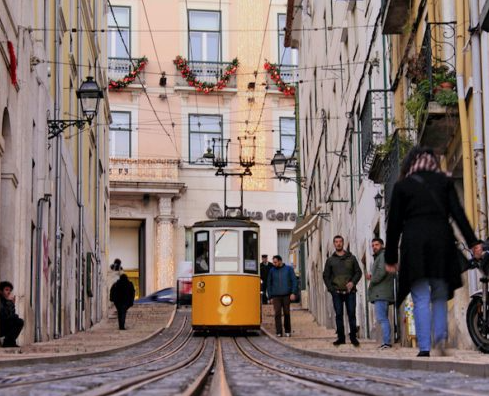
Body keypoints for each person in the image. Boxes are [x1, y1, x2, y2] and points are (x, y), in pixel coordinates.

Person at [385, 146, 483, 357]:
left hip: (414, 245)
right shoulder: (444, 182)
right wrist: (473, 242)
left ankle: (424, 347)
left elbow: (393, 225)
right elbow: (458, 215)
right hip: (441, 243)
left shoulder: (403, 186)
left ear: (410, 163)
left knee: (420, 297)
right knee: (439, 293)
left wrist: (390, 257)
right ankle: (440, 336)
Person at [323, 235, 362, 347]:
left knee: (351, 314)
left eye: (340, 241)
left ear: (343, 243)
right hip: (337, 293)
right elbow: (326, 276)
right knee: (339, 315)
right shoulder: (330, 260)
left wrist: (353, 282)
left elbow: (358, 272)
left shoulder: (351, 258)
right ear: (334, 244)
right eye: (336, 242)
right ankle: (341, 338)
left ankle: (353, 338)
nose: (338, 243)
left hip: (350, 292)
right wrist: (331, 290)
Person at [367, 238, 395, 349]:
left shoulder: (382, 256)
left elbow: (381, 272)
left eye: (376, 245)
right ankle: (386, 342)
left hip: (381, 293)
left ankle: (387, 342)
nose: (374, 247)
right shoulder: (379, 257)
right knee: (383, 318)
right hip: (382, 292)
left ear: (382, 245)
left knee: (382, 318)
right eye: (373, 245)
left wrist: (372, 279)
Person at [267, 255, 298, 337]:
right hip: (276, 296)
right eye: (273, 262)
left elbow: (294, 281)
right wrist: (270, 297)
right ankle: (279, 331)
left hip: (286, 295)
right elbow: (269, 284)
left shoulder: (289, 269)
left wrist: (293, 292)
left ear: (280, 261)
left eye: (275, 262)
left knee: (287, 313)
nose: (274, 264)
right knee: (277, 313)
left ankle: (287, 330)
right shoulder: (272, 271)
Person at [0, 281, 24, 347]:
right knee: (15, 319)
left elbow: (11, 315)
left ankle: (9, 342)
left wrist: (11, 304)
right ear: (1, 291)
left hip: (3, 325)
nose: (9, 292)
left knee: (19, 321)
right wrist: (9, 304)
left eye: (10, 290)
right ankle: (8, 342)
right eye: (6, 290)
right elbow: (3, 315)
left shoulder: (7, 301)